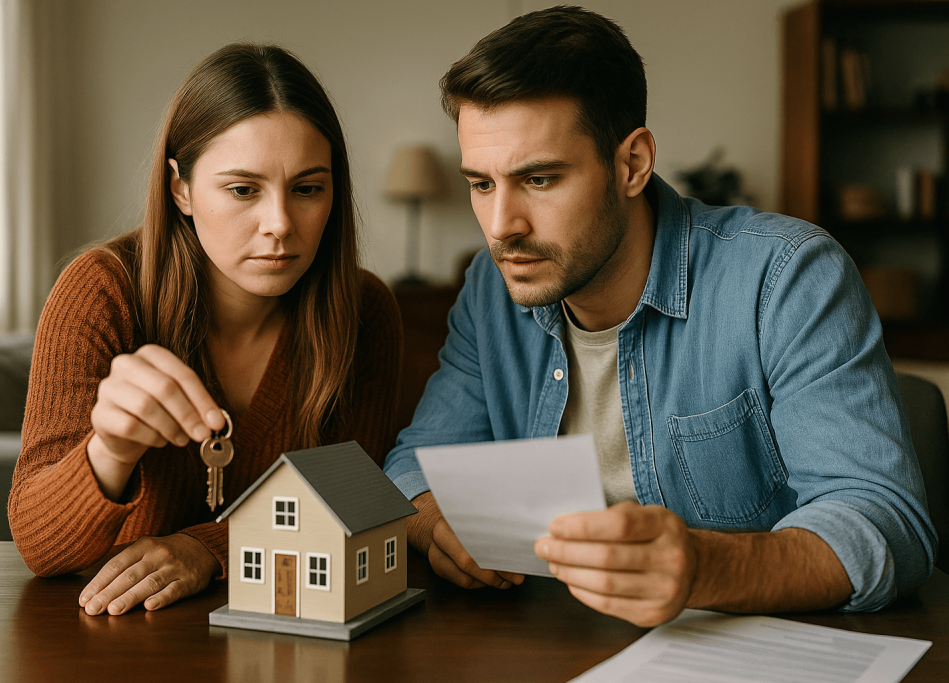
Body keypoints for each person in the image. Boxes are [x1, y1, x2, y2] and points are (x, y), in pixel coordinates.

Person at [383, 6, 936, 628]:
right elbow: (415, 461)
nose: (501, 226)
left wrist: (705, 567)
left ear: (632, 165)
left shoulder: (787, 277)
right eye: (481, 184)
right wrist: (435, 523)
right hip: (555, 647)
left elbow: (885, 523)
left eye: (538, 179)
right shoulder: (491, 288)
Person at [9, 43, 402, 617]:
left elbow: (350, 508)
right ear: (181, 189)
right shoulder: (100, 293)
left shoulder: (364, 310)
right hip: (121, 639)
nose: (280, 225)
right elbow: (40, 548)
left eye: (308, 189)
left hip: (288, 636)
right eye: (243, 189)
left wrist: (206, 550)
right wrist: (110, 451)